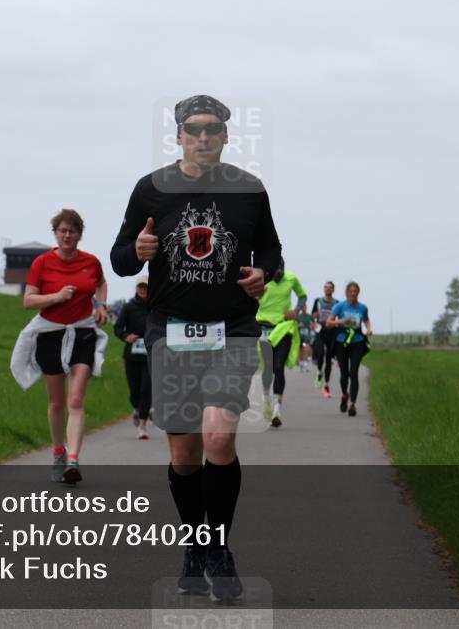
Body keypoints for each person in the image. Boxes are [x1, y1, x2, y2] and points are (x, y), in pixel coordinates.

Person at [110, 94, 282, 604]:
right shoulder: (152, 189)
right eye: (193, 129)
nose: (203, 137)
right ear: (179, 135)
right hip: (171, 331)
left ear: (227, 136)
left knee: (218, 438)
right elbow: (120, 259)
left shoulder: (249, 190)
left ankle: (219, 549)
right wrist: (135, 252)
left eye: (212, 129)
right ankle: (193, 544)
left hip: (232, 328)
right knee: (184, 454)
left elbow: (271, 248)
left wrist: (263, 272)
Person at [11, 209, 109, 485]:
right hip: (50, 334)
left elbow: (100, 284)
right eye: (62, 231)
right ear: (55, 233)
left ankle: (74, 460)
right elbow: (28, 301)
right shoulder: (42, 263)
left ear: (79, 234)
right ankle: (58, 452)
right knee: (56, 403)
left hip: (82, 333)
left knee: (76, 399)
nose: (67, 235)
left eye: (72, 231)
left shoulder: (91, 262)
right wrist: (56, 296)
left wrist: (100, 305)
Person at [255, 259, 307, 427]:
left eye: (281, 274)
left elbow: (302, 296)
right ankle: (266, 399)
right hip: (264, 328)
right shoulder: (261, 280)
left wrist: (297, 310)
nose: (278, 276)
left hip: (283, 327)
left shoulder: (291, 278)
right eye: (276, 274)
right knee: (268, 368)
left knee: (279, 367)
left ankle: (277, 409)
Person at [326, 281, 373, 416]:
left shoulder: (363, 307)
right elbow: (329, 322)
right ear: (347, 292)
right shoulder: (339, 306)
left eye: (355, 291)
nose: (353, 293)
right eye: (350, 291)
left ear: (358, 292)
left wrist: (368, 329)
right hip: (342, 342)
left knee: (354, 372)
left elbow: (366, 319)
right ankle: (344, 395)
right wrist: (340, 321)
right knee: (344, 374)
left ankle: (352, 404)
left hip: (357, 341)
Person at [114, 275, 152, 439]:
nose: (143, 290)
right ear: (137, 288)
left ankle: (142, 426)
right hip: (132, 355)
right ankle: (137, 408)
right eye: (141, 287)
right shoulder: (129, 307)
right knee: (134, 390)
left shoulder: (156, 307)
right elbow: (117, 328)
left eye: (146, 287)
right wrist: (126, 336)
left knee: (146, 389)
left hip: (151, 355)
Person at [311, 281, 339, 398]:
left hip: (332, 331)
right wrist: (314, 317)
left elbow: (340, 316)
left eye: (330, 288)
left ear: (333, 290)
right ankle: (319, 371)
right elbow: (312, 315)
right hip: (320, 330)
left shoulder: (337, 303)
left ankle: (326, 384)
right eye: (326, 287)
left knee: (328, 358)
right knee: (320, 353)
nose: (327, 289)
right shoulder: (318, 301)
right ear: (324, 289)